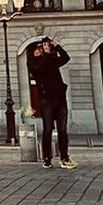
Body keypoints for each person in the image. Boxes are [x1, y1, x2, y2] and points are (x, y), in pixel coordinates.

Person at [28, 37, 76, 169]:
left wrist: (57, 46)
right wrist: (48, 54)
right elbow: (41, 68)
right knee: (48, 130)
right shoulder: (33, 63)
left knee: (62, 130)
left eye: (41, 48)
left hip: (60, 99)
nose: (40, 50)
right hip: (47, 100)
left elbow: (66, 58)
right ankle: (47, 158)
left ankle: (64, 157)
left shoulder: (51, 59)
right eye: (38, 49)